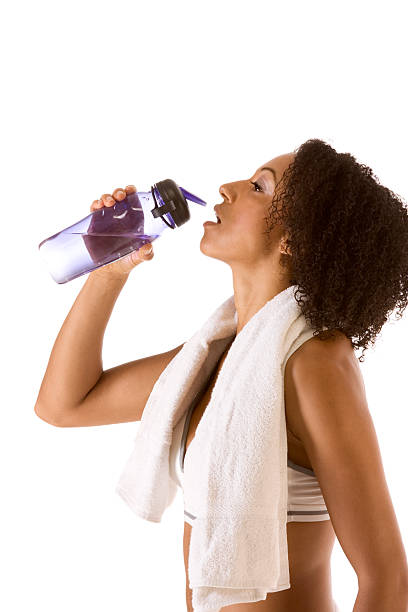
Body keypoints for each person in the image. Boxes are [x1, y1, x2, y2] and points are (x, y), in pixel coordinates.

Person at [34, 138, 408, 611]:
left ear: (296, 236)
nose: (227, 189)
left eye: (258, 187)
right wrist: (109, 269)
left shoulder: (315, 362)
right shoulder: (221, 358)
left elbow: (388, 580)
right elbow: (63, 404)